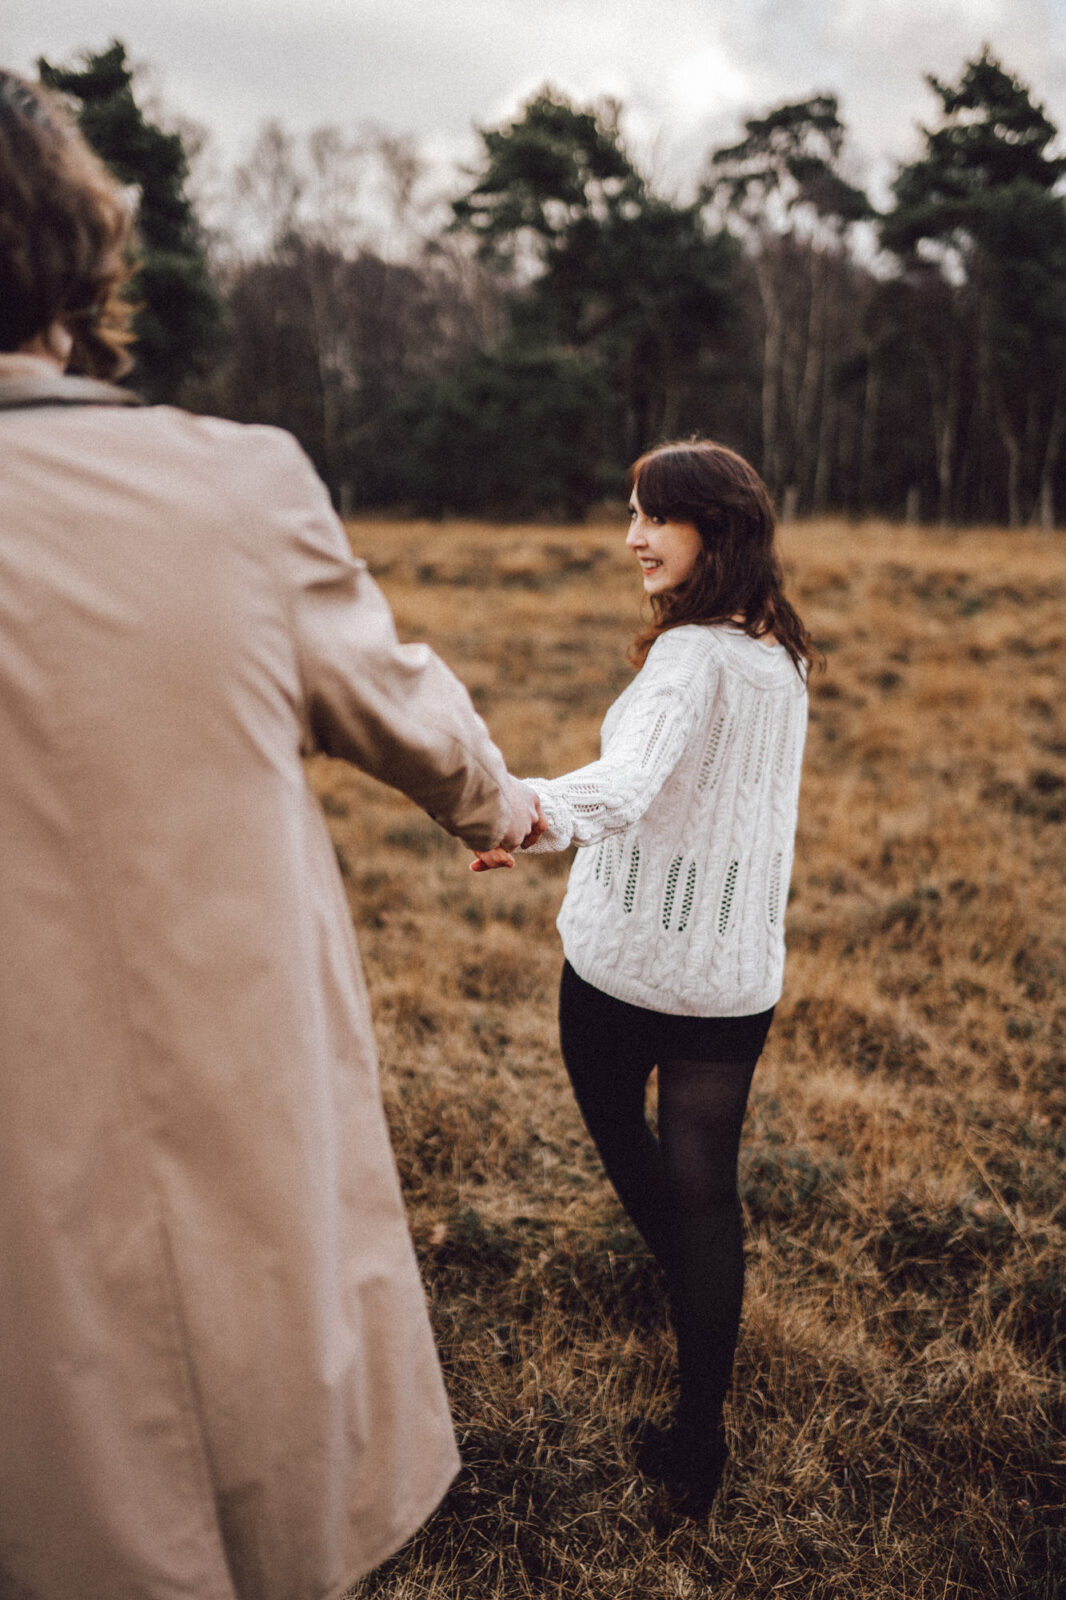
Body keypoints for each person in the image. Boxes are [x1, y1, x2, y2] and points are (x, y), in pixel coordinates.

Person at [0, 71, 541, 1600]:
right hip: (193, 1149)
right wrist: (496, 806)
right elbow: (401, 709)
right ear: (77, 251)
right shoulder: (232, 487)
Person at [474, 440, 813, 1514]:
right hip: (732, 980)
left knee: (628, 1140)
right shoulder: (778, 653)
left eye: (657, 517)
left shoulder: (691, 658)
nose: (633, 536)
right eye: (631, 513)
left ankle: (690, 1305)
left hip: (625, 966)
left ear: (718, 526)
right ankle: (698, 1435)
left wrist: (527, 808)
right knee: (707, 1192)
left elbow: (623, 786)